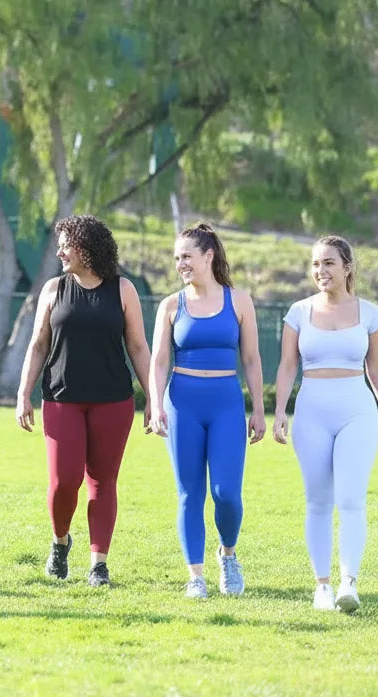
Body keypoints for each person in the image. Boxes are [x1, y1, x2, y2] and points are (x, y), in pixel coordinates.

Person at [15, 215, 152, 588]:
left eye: (66, 244)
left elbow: (138, 346)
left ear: (87, 247)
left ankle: (98, 564)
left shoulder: (123, 290)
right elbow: (39, 344)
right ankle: (61, 542)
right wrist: (23, 393)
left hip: (113, 401)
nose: (59, 251)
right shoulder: (53, 289)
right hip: (61, 399)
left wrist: (153, 397)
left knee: (102, 481)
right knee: (64, 481)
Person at [273, 235, 378, 613]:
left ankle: (349, 583)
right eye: (316, 264)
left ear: (348, 267)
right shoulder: (298, 311)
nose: (321, 271)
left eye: (329, 263)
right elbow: (287, 366)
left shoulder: (369, 313)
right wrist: (279, 410)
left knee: (350, 500)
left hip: (356, 411)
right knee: (317, 501)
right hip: (311, 409)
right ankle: (322, 586)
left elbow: (376, 368)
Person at [149, 222, 266, 599]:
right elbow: (158, 361)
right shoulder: (171, 305)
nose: (180, 263)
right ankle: (195, 576)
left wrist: (259, 409)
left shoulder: (239, 300)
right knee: (189, 494)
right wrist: (155, 406)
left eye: (186, 256)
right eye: (176, 258)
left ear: (208, 256)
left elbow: (251, 359)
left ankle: (228, 555)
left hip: (225, 403)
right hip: (182, 401)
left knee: (226, 492)